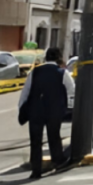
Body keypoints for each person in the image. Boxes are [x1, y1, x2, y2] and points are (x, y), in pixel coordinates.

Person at [18, 47, 74, 178]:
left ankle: (36, 169)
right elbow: (72, 91)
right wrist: (69, 109)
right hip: (54, 110)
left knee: (35, 141)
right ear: (59, 58)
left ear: (46, 58)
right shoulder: (62, 73)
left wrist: (22, 109)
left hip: (35, 110)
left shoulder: (35, 72)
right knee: (54, 136)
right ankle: (58, 161)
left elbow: (25, 93)